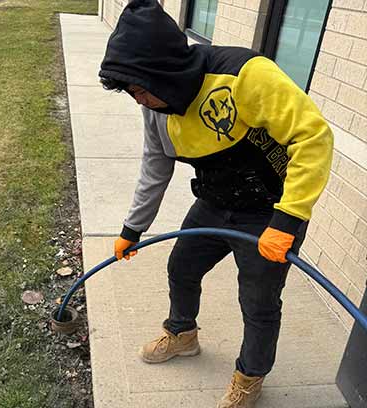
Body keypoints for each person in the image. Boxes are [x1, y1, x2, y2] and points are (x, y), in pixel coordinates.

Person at [98, 1, 333, 407]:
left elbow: (313, 138)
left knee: (258, 302)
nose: (138, 100)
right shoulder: (158, 107)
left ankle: (250, 376)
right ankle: (183, 334)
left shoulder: (244, 74)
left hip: (269, 212)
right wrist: (131, 230)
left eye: (139, 89)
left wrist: (288, 219)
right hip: (214, 202)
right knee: (182, 268)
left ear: (164, 71)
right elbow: (156, 166)